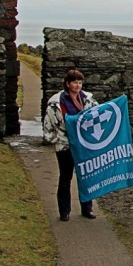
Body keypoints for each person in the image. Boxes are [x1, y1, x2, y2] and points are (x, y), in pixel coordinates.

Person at [42, 69, 98, 221]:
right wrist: (55, 139)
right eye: (75, 82)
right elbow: (49, 122)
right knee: (65, 177)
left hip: (83, 144)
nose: (78, 85)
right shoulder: (57, 102)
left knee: (85, 176)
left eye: (80, 82)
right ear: (68, 83)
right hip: (65, 144)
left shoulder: (87, 99)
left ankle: (87, 208)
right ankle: (64, 211)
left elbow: (96, 114)